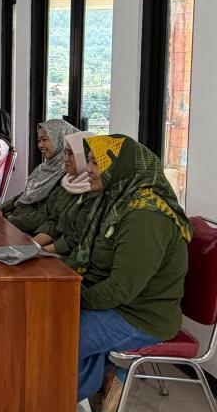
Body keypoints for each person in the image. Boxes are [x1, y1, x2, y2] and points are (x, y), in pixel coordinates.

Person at [70, 135, 191, 410]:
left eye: (96, 163)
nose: (88, 169)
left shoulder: (144, 216)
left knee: (58, 332)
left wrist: (72, 298)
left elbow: (120, 289)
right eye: (89, 161)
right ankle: (104, 379)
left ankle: (59, 396)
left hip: (140, 316)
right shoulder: (117, 201)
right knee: (50, 317)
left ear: (121, 168)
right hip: (120, 305)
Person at [0, 119, 78, 232]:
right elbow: (25, 195)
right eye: (38, 140)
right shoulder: (45, 167)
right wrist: (1, 209)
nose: (40, 145)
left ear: (60, 140)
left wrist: (6, 223)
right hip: (16, 221)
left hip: (28, 230)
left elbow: (43, 217)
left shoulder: (66, 175)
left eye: (45, 140)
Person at [32, 131, 101, 256]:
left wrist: (41, 251)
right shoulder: (67, 182)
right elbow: (54, 221)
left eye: (71, 154)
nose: (66, 159)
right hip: (57, 248)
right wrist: (31, 245)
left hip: (73, 255)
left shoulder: (95, 190)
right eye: (65, 153)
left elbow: (77, 237)